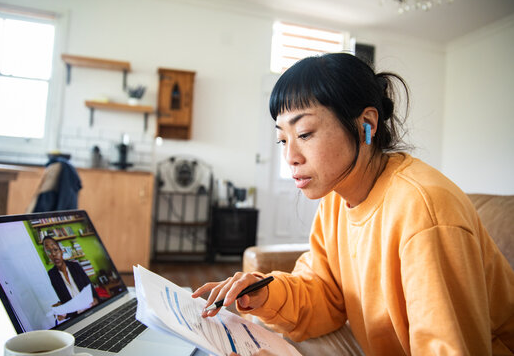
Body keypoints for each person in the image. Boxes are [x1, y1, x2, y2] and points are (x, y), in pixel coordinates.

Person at [192, 53, 514, 355]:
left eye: (304, 134)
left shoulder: (424, 210)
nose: (290, 157)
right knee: (261, 331)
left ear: (367, 125)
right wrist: (265, 293)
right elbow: (324, 294)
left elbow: (448, 347)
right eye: (282, 139)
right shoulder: (337, 199)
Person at [42, 236, 98, 321]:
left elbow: (90, 287)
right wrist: (64, 314)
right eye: (49, 251)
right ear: (47, 255)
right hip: (77, 318)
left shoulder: (75, 266)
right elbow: (64, 300)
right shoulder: (52, 274)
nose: (53, 254)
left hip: (92, 309)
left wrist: (96, 300)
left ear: (61, 251)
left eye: (55, 250)